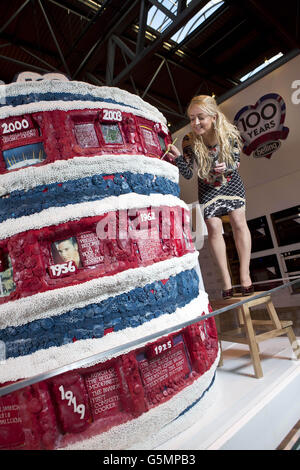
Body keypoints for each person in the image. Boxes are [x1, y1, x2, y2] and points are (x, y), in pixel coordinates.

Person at [167, 94, 253, 299]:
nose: (195, 123)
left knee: (238, 222)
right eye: (191, 118)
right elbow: (188, 174)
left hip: (231, 183)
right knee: (214, 228)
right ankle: (226, 282)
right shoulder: (189, 139)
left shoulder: (229, 133)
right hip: (207, 187)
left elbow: (235, 164)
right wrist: (179, 158)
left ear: (213, 116)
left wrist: (227, 166)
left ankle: (245, 276)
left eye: (201, 117)